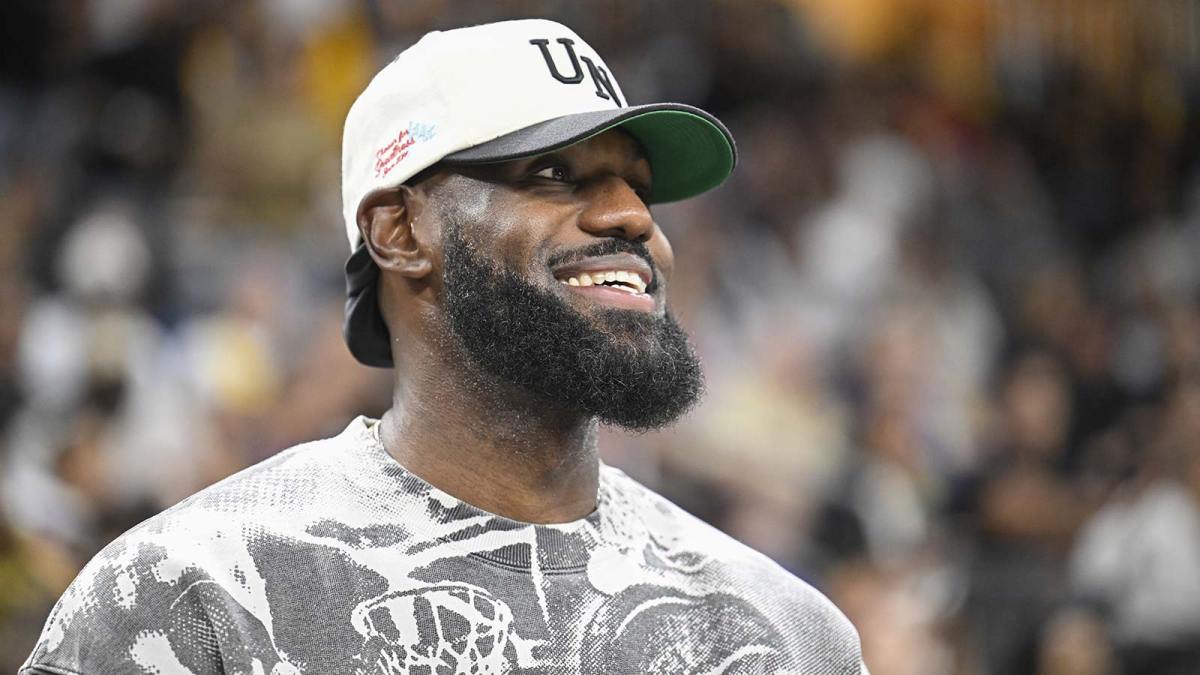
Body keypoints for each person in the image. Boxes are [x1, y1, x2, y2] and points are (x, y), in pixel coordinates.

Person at [22, 19, 866, 674]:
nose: (632, 218)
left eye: (639, 188)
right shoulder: (196, 592)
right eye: (553, 175)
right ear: (398, 230)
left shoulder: (779, 633)